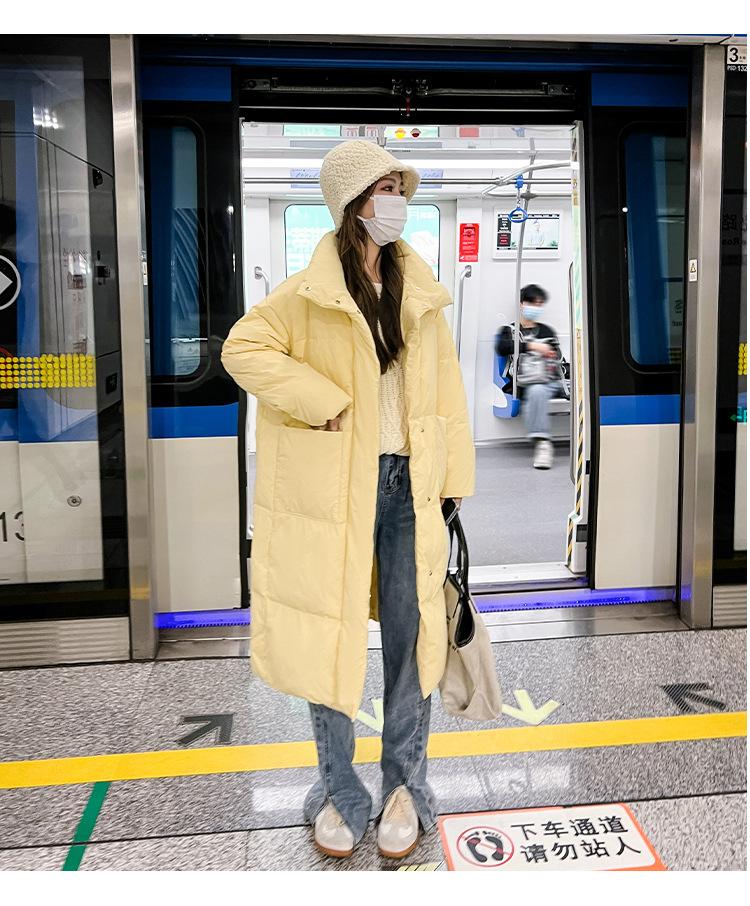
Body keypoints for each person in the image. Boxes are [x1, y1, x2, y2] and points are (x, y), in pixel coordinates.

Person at [221, 140, 475, 861]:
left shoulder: (418, 289)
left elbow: (447, 392)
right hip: (335, 489)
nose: (397, 201)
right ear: (352, 201)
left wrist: (453, 482)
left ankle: (405, 788)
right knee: (326, 640)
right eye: (384, 188)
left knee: (412, 641)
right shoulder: (306, 293)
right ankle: (338, 789)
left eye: (400, 187)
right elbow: (242, 349)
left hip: (409, 486)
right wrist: (321, 400)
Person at [494, 284, 565, 469]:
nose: (536, 307)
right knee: (536, 391)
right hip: (524, 382)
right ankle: (542, 443)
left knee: (541, 389)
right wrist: (533, 346)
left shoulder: (547, 331)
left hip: (549, 380)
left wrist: (550, 354)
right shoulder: (509, 330)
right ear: (522, 304)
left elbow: (558, 357)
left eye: (539, 304)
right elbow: (502, 348)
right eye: (532, 303)